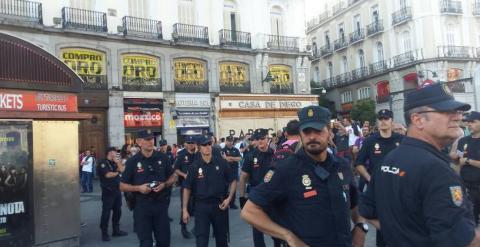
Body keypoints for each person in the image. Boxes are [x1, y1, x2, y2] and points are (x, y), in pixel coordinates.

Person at [359, 83, 480, 246]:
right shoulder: (436, 170)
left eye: (457, 111)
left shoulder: (389, 159)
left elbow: (369, 211)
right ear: (418, 120)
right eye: (446, 111)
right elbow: (464, 241)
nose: (458, 117)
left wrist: (404, 236)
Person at [241, 106, 366, 247]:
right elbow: (249, 211)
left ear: (329, 133)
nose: (312, 136)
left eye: (318, 130)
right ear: (300, 134)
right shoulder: (286, 169)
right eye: (306, 132)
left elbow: (355, 203)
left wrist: (361, 226)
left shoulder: (341, 165)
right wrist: (288, 236)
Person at [354, 109, 403, 246]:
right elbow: (359, 163)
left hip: (399, 188)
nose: (383, 122)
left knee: (402, 221)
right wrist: (370, 179)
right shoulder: (370, 141)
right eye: (380, 119)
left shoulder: (401, 140)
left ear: (392, 121)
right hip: (379, 190)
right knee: (383, 224)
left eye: (386, 119)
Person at [120, 130, 176, 247]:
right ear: (139, 142)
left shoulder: (163, 157)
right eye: (147, 139)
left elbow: (173, 177)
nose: (150, 142)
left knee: (164, 241)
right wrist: (138, 188)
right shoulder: (132, 162)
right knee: (146, 242)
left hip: (160, 205)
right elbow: (122, 186)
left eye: (151, 139)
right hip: (142, 206)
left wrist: (164, 184)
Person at [182, 135, 237, 247]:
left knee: (222, 241)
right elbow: (187, 188)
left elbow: (233, 180)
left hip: (219, 205)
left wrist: (229, 199)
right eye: (204, 145)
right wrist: (184, 210)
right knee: (202, 241)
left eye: (209, 144)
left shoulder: (221, 163)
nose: (207, 147)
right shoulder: (194, 167)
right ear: (199, 147)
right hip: (201, 207)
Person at [238, 128, 275, 247]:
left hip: (273, 196)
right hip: (256, 196)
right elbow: (243, 177)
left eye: (262, 138)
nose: (260, 141)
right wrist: (242, 197)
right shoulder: (250, 156)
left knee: (276, 228)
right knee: (257, 230)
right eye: (257, 139)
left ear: (267, 139)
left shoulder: (275, 154)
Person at [453, 111, 480, 225]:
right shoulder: (463, 141)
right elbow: (458, 160)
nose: (469, 124)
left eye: (472, 122)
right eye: (467, 122)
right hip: (467, 185)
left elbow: (464, 161)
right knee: (470, 217)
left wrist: (468, 161)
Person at [97, 147, 128, 241]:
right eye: (115, 151)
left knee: (118, 211)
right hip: (108, 191)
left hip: (117, 190)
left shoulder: (115, 162)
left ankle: (116, 230)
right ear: (110, 152)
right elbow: (108, 175)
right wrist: (117, 171)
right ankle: (104, 233)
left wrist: (118, 163)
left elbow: (123, 170)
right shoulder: (103, 163)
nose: (116, 153)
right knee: (106, 213)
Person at [174, 136, 197, 239]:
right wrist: (184, 175)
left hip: (197, 185)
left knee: (198, 207)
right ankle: (184, 228)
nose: (191, 144)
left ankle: (197, 227)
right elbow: (176, 169)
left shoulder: (198, 155)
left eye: (192, 143)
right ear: (186, 144)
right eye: (189, 143)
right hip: (185, 185)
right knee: (185, 207)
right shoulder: (181, 155)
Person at [222, 136, 241, 209]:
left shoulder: (236, 150)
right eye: (228, 141)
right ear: (226, 141)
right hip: (225, 172)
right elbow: (224, 159)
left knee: (233, 189)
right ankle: (224, 202)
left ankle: (232, 203)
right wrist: (232, 159)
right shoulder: (223, 150)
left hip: (233, 171)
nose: (230, 142)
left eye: (231, 141)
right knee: (224, 188)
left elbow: (239, 158)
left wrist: (230, 158)